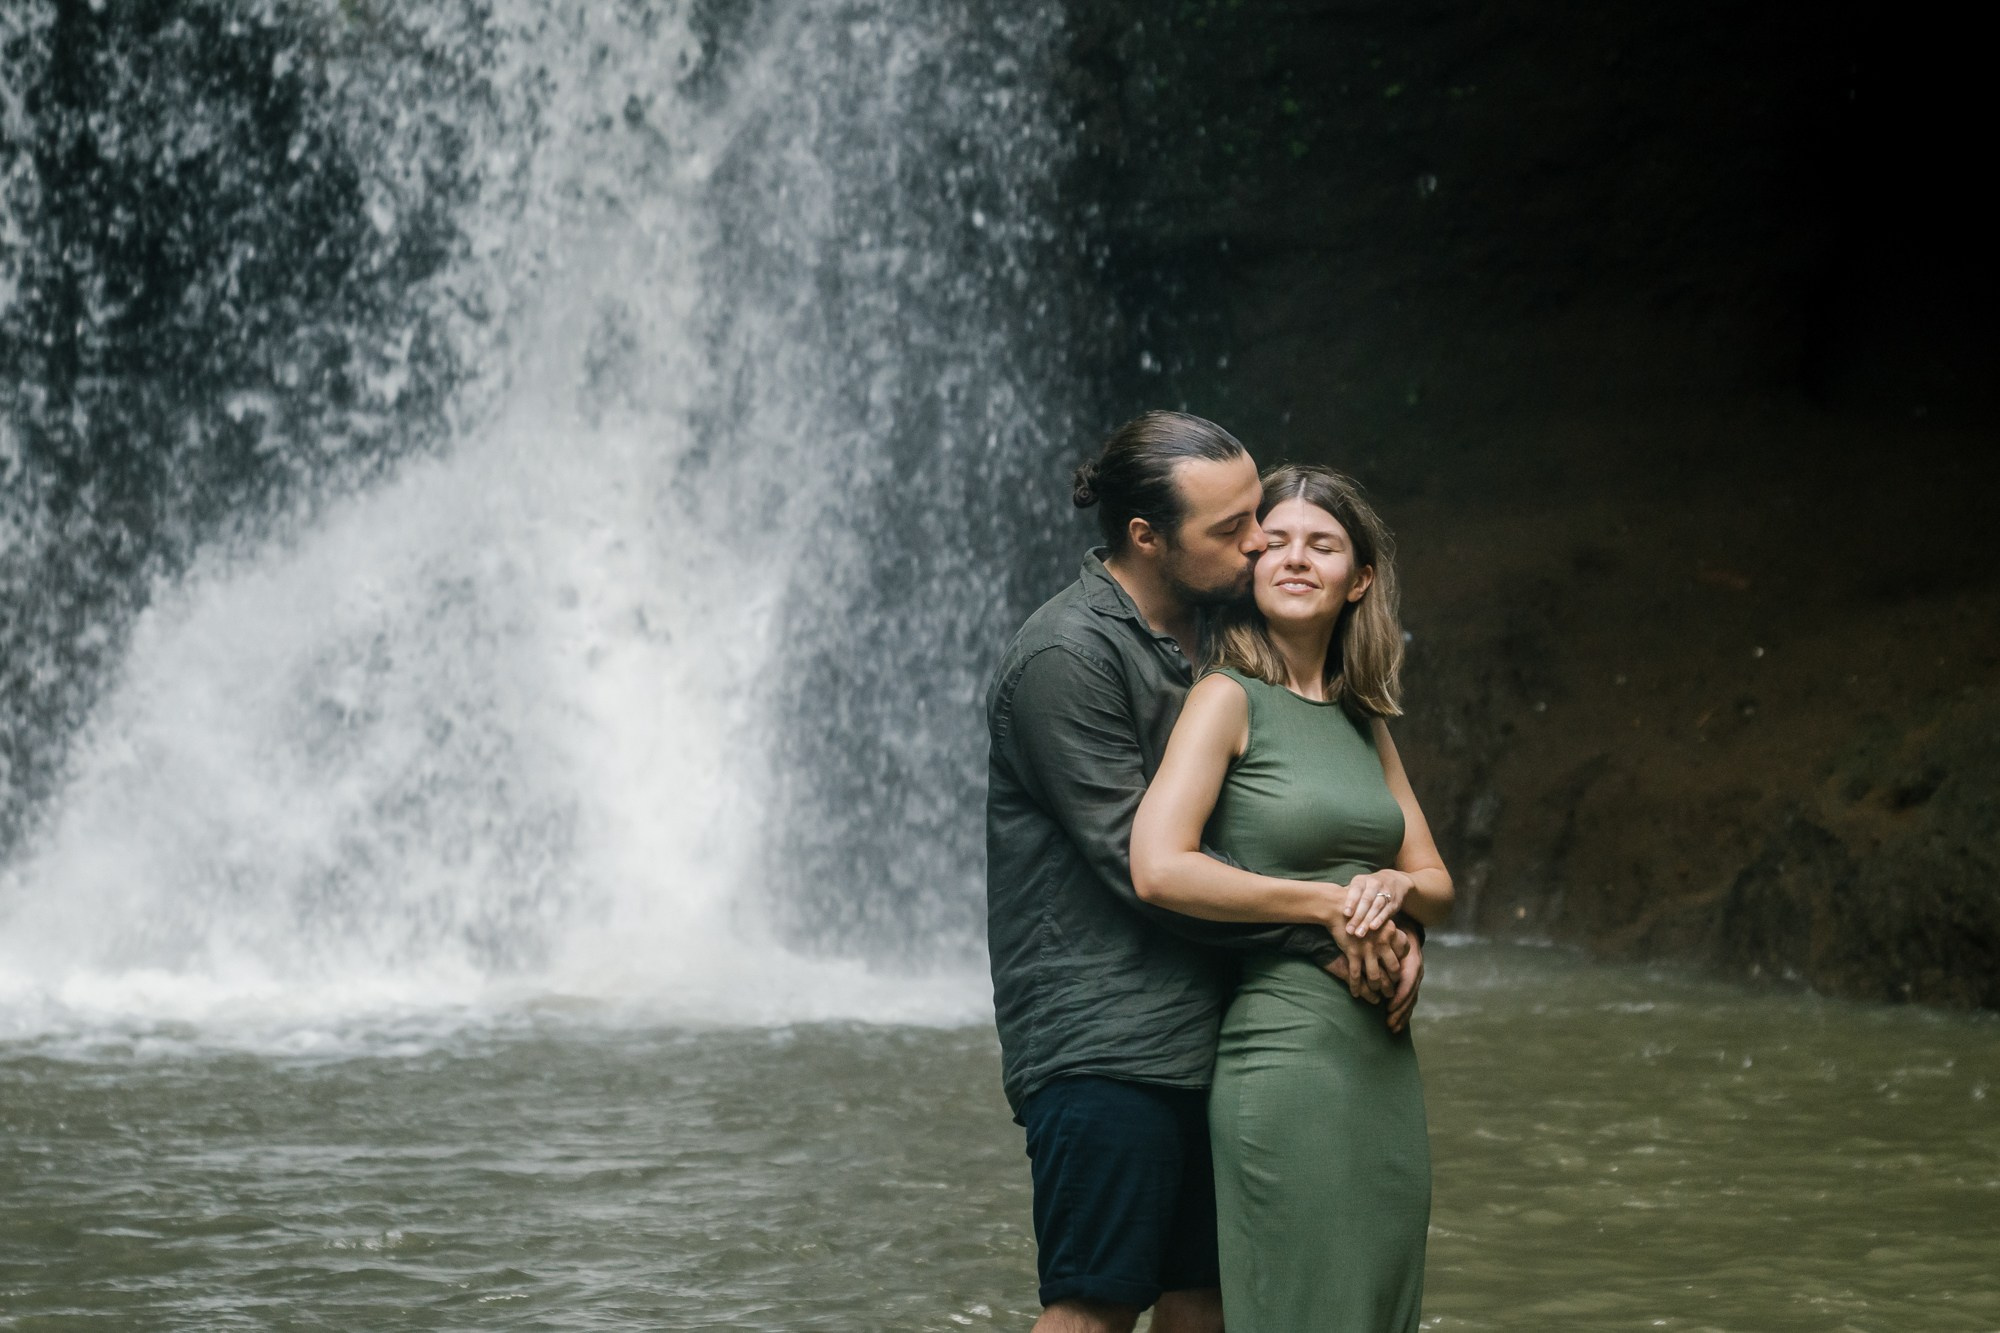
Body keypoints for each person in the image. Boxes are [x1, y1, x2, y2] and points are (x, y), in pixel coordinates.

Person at [985, 414, 1425, 1333]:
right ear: (1147, 536)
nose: (1261, 539)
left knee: (1207, 1303)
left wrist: (1393, 920)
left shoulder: (1226, 624)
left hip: (1216, 1032)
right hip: (1104, 1041)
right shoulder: (1066, 658)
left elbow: (1304, 809)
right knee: (1094, 1303)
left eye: (1255, 513)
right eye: (1233, 529)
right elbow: (1135, 860)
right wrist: (1338, 931)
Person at [1130, 463, 1453, 1332]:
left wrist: (1395, 889)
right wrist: (1322, 901)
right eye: (1276, 542)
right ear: (1249, 565)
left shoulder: (1361, 717)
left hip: (1382, 1063)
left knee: (1379, 1305)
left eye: (1325, 544)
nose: (1297, 558)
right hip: (1287, 1053)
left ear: (1362, 578)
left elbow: (1439, 883)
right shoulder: (1227, 698)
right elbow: (1159, 865)